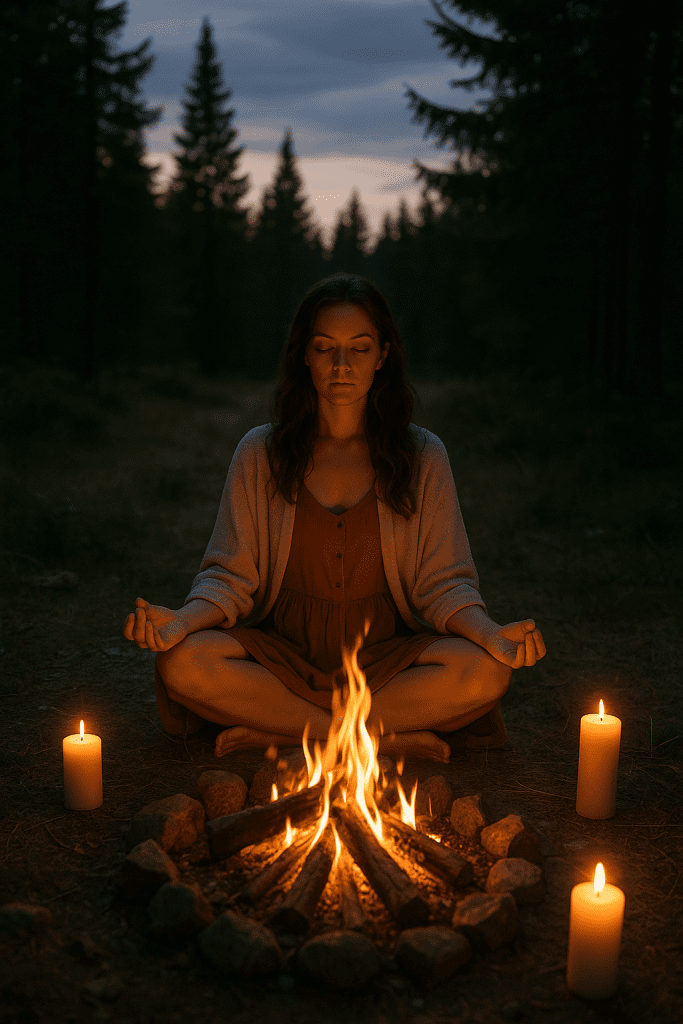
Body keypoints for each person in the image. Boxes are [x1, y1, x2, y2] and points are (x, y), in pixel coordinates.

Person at [123, 273, 545, 763]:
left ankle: (284, 730)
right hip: (283, 654)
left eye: (359, 348)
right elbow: (230, 578)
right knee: (182, 662)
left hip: (387, 658)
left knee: (486, 671)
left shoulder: (422, 455)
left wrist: (491, 634)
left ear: (382, 355)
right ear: (304, 354)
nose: (341, 365)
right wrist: (180, 621)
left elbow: (443, 584)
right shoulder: (261, 453)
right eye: (325, 347)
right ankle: (380, 738)